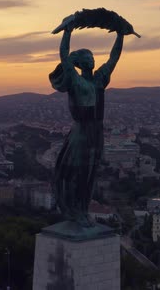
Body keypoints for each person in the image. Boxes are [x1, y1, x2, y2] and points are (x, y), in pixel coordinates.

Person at [49, 16, 124, 226]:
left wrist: (120, 34)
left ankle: (83, 210)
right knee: (77, 172)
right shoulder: (75, 79)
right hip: (81, 131)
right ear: (81, 63)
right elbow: (64, 56)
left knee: (91, 173)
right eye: (88, 57)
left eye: (92, 56)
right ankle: (73, 210)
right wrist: (67, 31)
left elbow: (113, 58)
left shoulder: (99, 79)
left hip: (96, 131)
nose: (92, 59)